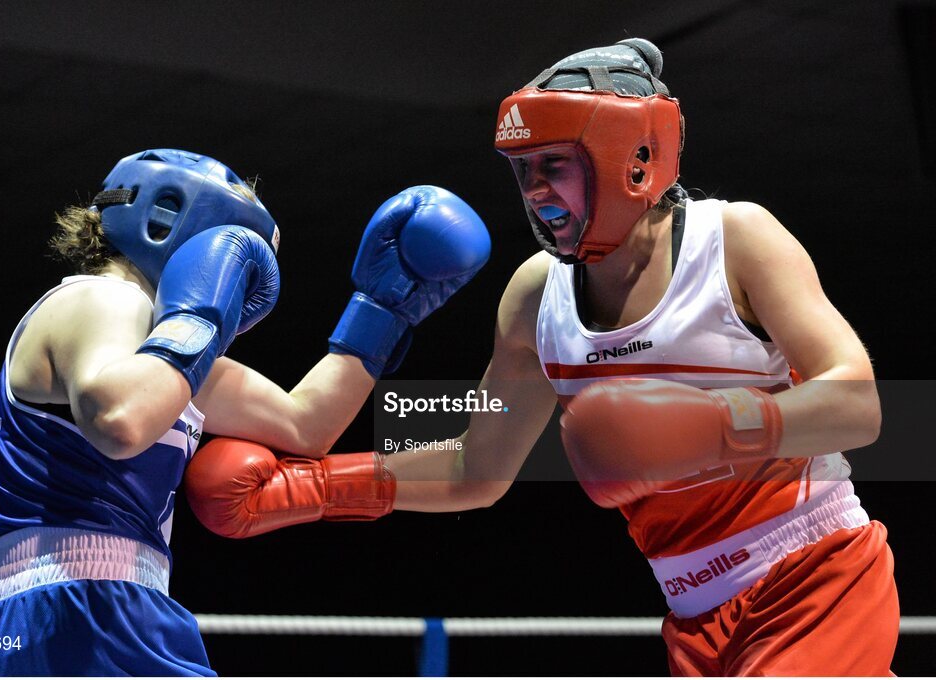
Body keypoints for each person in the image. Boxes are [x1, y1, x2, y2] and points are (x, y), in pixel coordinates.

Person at [186, 40, 899, 676]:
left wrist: (713, 424)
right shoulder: (536, 296)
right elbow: (477, 463)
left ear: (636, 158)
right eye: (522, 170)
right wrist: (310, 488)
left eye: (554, 165)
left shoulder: (734, 239)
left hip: (814, 575)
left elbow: (857, 402)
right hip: (696, 618)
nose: (535, 192)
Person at [0, 148, 489, 676]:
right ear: (167, 222)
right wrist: (201, 319)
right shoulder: (102, 299)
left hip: (17, 619)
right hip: (77, 608)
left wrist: (383, 309)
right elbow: (119, 422)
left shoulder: (164, 362)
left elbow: (307, 425)